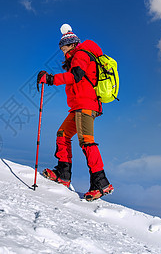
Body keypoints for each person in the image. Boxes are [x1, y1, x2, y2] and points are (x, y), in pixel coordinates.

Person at [36, 24, 114, 201]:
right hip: (78, 105)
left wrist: (50, 79)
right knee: (62, 135)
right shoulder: (78, 56)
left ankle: (101, 183)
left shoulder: (80, 54)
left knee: (86, 141)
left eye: (63, 48)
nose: (62, 52)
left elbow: (76, 76)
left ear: (70, 44)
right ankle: (63, 174)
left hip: (86, 105)